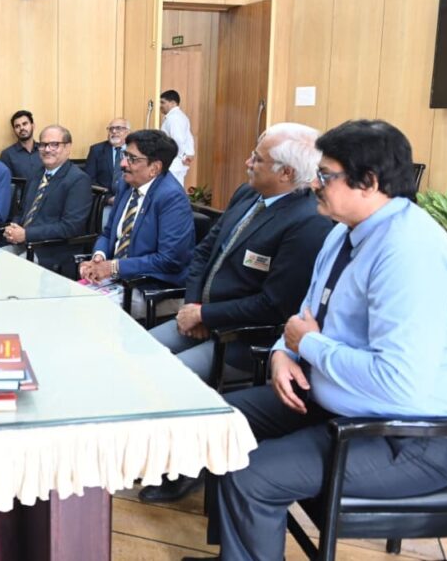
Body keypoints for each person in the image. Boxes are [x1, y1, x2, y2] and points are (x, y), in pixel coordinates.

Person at [193, 120, 447, 561]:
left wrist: (307, 346)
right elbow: (304, 317)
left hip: (405, 437)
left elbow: (399, 382)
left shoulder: (409, 253)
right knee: (218, 422)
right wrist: (283, 354)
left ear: (369, 182)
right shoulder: (344, 232)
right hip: (332, 403)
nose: (314, 184)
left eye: (326, 176)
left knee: (252, 475)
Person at [139, 122, 332, 503]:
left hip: (246, 338)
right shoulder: (248, 193)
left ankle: (187, 468)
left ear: (286, 173)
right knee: (141, 354)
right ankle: (150, 451)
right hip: (202, 314)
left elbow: (275, 304)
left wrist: (206, 316)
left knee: (175, 378)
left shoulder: (308, 222)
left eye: (257, 159)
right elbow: (204, 252)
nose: (247, 163)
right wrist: (193, 306)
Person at [80, 129, 194, 316]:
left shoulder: (172, 198)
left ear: (154, 168)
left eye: (132, 159)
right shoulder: (126, 185)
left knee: (85, 311)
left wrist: (114, 267)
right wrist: (99, 257)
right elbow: (108, 233)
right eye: (125, 155)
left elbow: (169, 260)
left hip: (150, 288)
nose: (123, 163)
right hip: (116, 280)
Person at [2, 125, 92, 276]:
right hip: (26, 243)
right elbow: (22, 211)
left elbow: (71, 227)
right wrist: (13, 228)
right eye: (43, 145)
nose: (47, 149)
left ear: (68, 147)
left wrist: (27, 234)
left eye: (54, 144)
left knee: (11, 271)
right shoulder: (36, 175)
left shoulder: (78, 180)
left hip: (53, 250)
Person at [85, 118, 131, 228]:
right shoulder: (97, 150)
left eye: (118, 128)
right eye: (111, 129)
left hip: (130, 200)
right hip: (106, 202)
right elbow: (89, 180)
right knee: (105, 227)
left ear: (128, 132)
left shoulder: (135, 150)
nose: (114, 132)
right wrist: (108, 199)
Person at [159, 90, 195, 187]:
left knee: (171, 190)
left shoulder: (174, 118)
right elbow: (189, 137)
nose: (160, 106)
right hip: (176, 162)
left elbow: (177, 140)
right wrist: (188, 154)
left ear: (173, 103)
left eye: (163, 102)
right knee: (175, 188)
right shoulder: (180, 116)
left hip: (173, 163)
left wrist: (183, 156)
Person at [0, 109, 43, 181]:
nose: (22, 128)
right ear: (14, 130)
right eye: (17, 126)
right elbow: (6, 182)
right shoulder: (7, 155)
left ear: (33, 126)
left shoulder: (44, 149)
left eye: (25, 124)